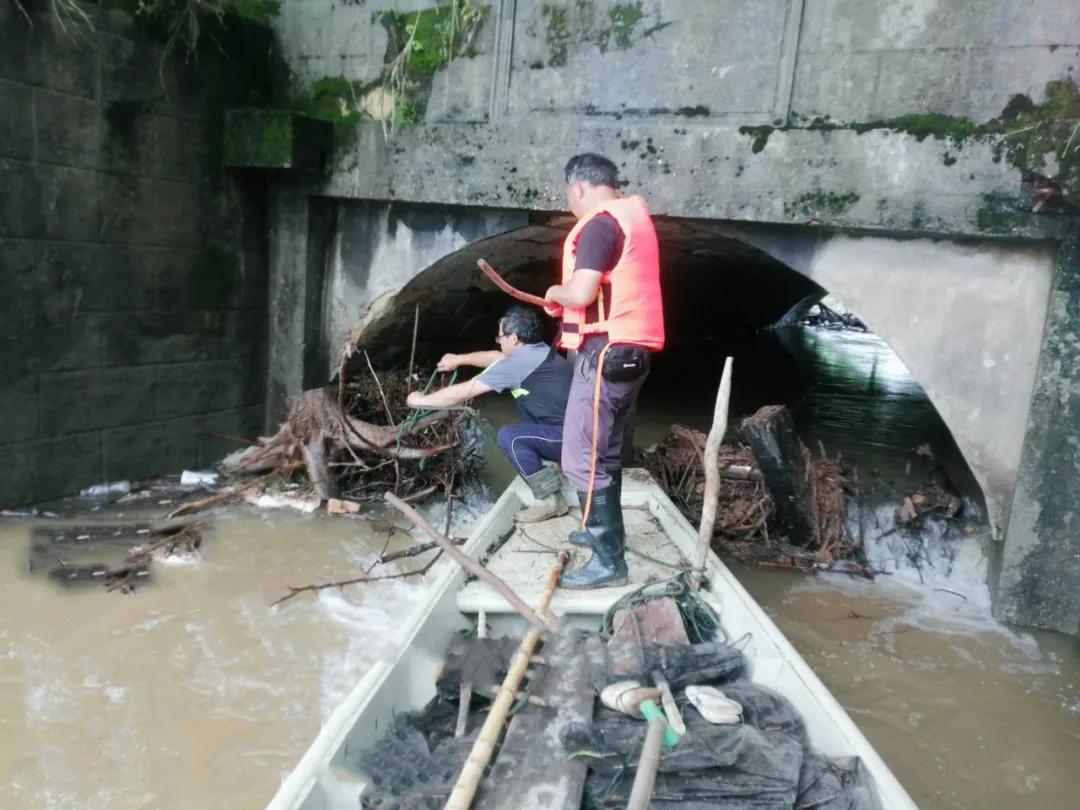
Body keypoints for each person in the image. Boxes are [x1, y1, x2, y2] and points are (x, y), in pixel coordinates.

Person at [543, 153, 665, 589]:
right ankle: (600, 532)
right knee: (605, 451)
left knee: (580, 455)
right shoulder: (631, 218)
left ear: (578, 188)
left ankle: (608, 562)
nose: (570, 202)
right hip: (627, 355)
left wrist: (552, 292)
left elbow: (581, 291)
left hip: (606, 355)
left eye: (568, 195)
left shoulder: (600, 224)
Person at [405, 305, 573, 523]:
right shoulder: (538, 351)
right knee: (524, 404)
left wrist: (419, 401)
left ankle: (551, 500)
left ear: (513, 338)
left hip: (574, 439)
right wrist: (458, 359)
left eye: (500, 337)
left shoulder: (517, 365)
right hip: (581, 431)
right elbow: (495, 357)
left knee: (510, 437)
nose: (499, 341)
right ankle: (557, 467)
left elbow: (461, 393)